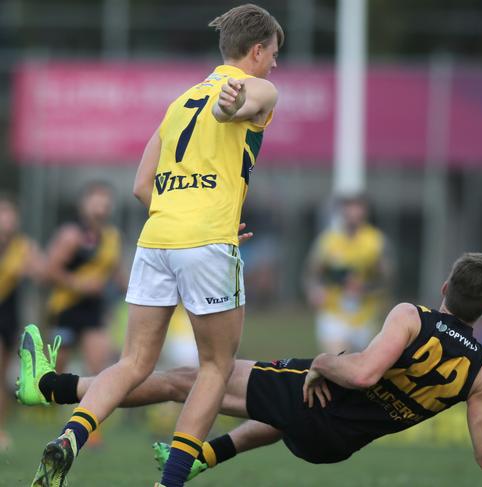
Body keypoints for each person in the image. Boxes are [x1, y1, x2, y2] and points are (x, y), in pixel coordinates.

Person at [19, 253, 482, 482]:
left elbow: (367, 372)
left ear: (445, 288)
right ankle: (207, 456)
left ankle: (51, 386)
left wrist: (325, 361)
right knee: (272, 401)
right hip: (336, 443)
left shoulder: (410, 316)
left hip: (321, 398)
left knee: (192, 379)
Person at [27, 4, 283, 486]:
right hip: (206, 241)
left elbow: (142, 187)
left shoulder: (179, 103)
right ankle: (171, 480)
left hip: (157, 237)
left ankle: (70, 438)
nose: (274, 65)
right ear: (255, 51)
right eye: (272, 54)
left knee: (134, 362)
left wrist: (185, 211)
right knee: (215, 366)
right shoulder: (259, 87)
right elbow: (246, 102)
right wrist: (232, 108)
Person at [43, 181, 125, 376]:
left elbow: (117, 273)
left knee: (100, 370)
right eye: (95, 201)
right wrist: (79, 284)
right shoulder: (71, 235)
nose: (100, 207)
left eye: (105, 202)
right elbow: (49, 270)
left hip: (94, 309)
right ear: (83, 204)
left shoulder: (112, 237)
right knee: (55, 372)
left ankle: (91, 406)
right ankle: (47, 406)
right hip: (66, 308)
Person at [305, 195, 392, 353]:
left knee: (360, 371)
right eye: (349, 210)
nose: (353, 215)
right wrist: (315, 289)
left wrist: (364, 288)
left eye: (357, 210)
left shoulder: (375, 242)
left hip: (364, 315)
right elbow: (313, 273)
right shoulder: (328, 241)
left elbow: (386, 279)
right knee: (337, 359)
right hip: (334, 312)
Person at [0, 195, 43, 450]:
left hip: (9, 314)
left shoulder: (22, 246)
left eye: (9, 214)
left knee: (2, 374)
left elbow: (43, 272)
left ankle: (1, 429)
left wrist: (33, 267)